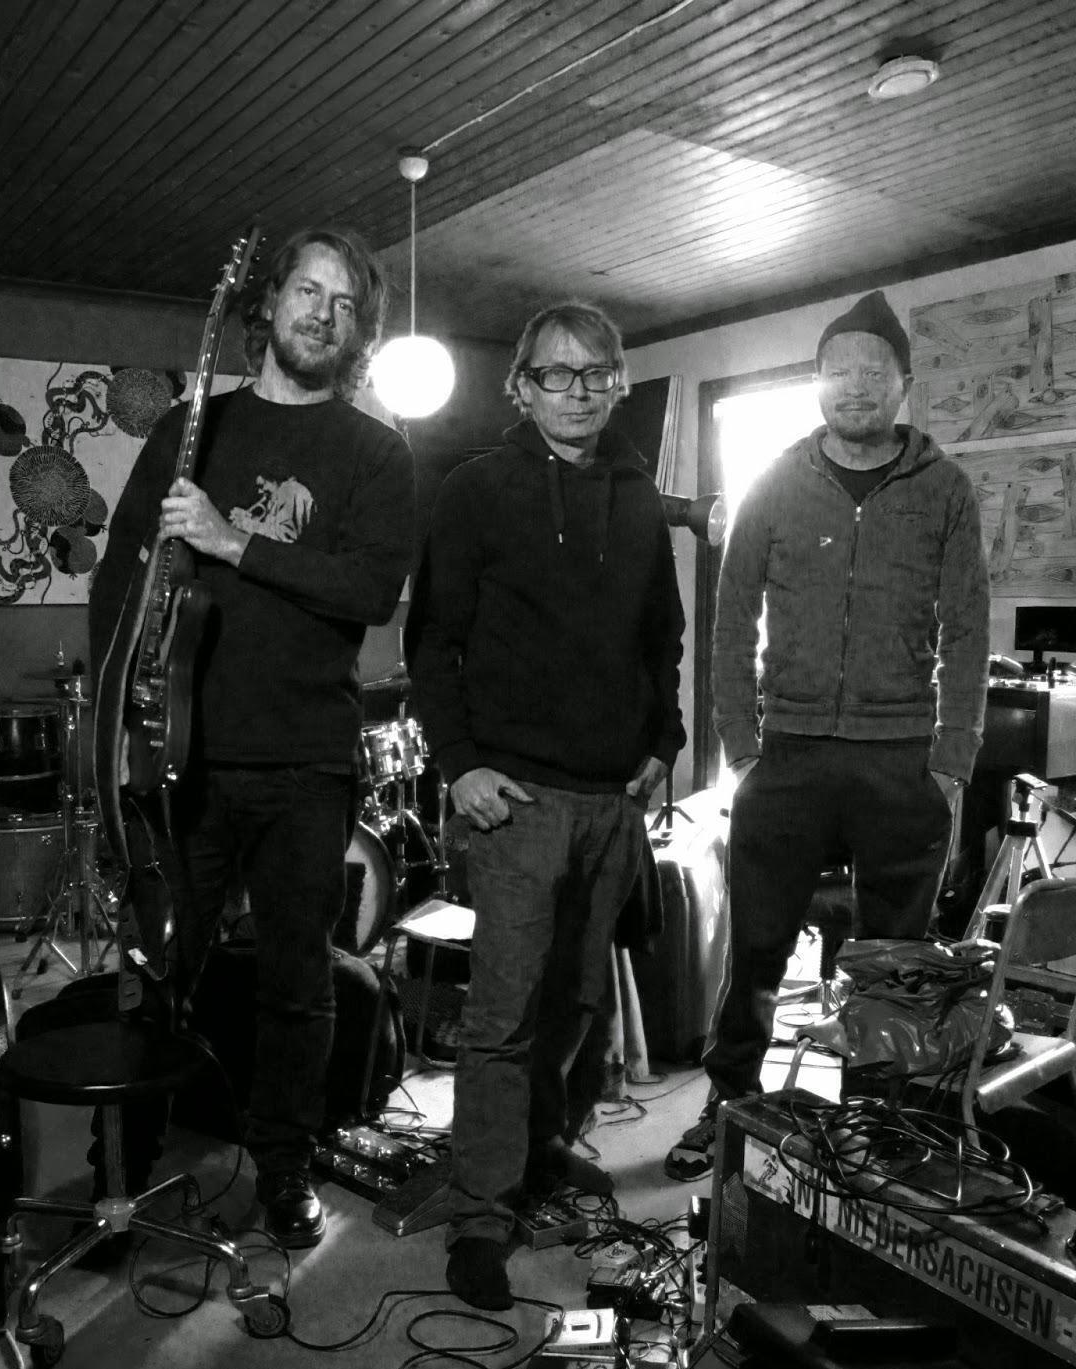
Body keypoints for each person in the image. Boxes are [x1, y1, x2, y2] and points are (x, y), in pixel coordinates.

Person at [89, 226, 415, 1248]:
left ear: (357, 332)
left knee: (297, 984)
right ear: (268, 303)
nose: (323, 313)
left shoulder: (375, 451)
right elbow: (119, 580)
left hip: (307, 762)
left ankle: (284, 1169)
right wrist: (116, 721)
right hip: (182, 757)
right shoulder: (196, 428)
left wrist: (233, 540)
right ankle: (120, 1172)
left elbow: (370, 589)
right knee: (157, 970)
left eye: (345, 304)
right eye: (308, 291)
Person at [665, 289, 989, 1176]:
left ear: (903, 385)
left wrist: (952, 760)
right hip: (789, 757)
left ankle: (875, 1125)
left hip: (901, 763)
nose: (855, 385)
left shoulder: (946, 491)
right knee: (756, 947)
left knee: (892, 966)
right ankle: (729, 1102)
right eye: (838, 371)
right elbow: (731, 622)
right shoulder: (774, 484)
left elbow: (967, 629)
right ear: (818, 383)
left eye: (873, 371)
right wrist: (741, 747)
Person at [407, 301, 686, 1309]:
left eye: (596, 374)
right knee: (503, 1014)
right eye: (556, 375)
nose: (578, 392)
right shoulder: (476, 490)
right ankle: (482, 1214)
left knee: (577, 1002)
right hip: (516, 800)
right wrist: (459, 766)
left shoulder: (638, 497)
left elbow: (664, 635)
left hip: (612, 800)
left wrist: (664, 741)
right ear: (520, 387)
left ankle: (541, 1150)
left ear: (618, 385)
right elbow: (433, 640)